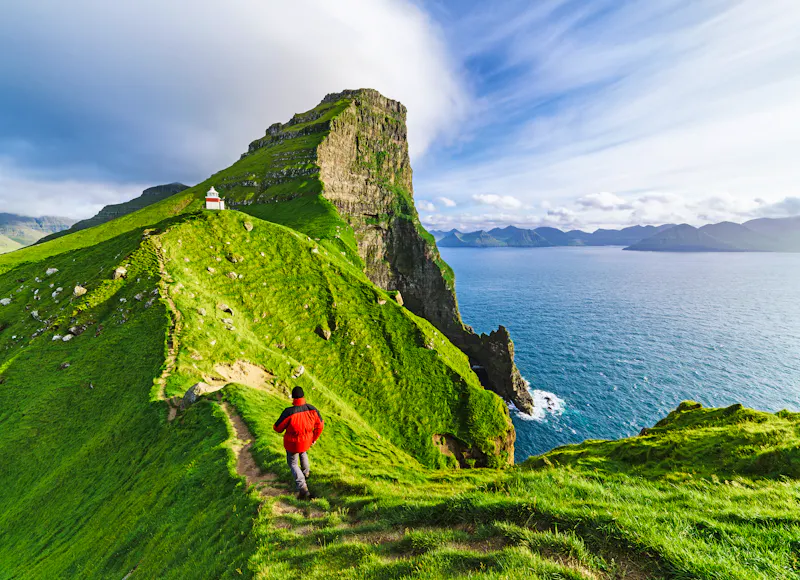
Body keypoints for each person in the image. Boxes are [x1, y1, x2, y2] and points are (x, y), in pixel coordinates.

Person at [273, 386, 324, 499]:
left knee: (293, 464)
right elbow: (320, 425)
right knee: (303, 452)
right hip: (306, 441)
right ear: (303, 396)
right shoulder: (312, 409)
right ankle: (306, 473)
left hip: (292, 444)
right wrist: (314, 438)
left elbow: (277, 428)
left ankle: (303, 488)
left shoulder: (289, 412)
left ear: (293, 397)